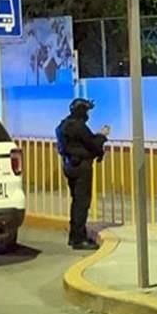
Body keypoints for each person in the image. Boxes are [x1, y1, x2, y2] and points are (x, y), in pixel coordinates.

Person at [55, 99, 110, 250]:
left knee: (76, 202)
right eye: (86, 111)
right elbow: (92, 143)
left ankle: (75, 236)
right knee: (82, 203)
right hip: (81, 168)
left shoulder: (63, 125)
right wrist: (102, 135)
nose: (87, 115)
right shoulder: (79, 127)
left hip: (69, 166)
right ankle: (79, 239)